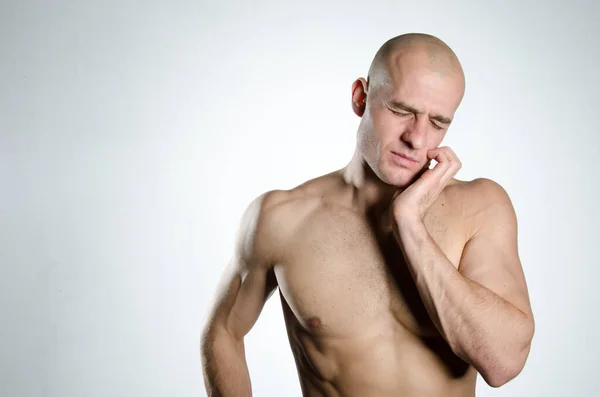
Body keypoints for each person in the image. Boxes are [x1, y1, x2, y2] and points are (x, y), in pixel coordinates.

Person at [200, 32, 535, 397]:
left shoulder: (481, 207)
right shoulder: (282, 218)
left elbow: (503, 363)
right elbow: (224, 333)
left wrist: (409, 224)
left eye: (438, 122)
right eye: (401, 111)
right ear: (361, 97)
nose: (417, 139)